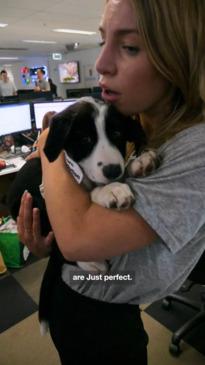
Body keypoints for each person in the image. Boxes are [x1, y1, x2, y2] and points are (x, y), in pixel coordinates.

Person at [17, 0, 205, 364]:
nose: (100, 64)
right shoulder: (139, 120)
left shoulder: (195, 147)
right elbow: (70, 239)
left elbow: (77, 239)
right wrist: (56, 239)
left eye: (130, 46)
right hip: (91, 292)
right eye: (103, 40)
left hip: (105, 292)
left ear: (180, 57)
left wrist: (47, 141)